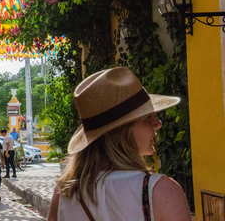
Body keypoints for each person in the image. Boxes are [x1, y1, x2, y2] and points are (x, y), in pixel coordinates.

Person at [47, 67, 191, 221]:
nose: (158, 124)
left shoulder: (64, 193)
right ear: (122, 131)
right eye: (148, 117)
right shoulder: (160, 192)